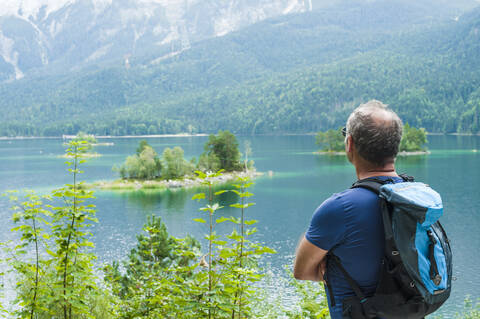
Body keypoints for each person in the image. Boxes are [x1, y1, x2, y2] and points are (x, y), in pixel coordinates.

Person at [293, 100, 404, 319]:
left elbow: (302, 271)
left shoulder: (340, 209)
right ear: (395, 147)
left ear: (349, 143)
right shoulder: (416, 196)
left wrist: (329, 268)